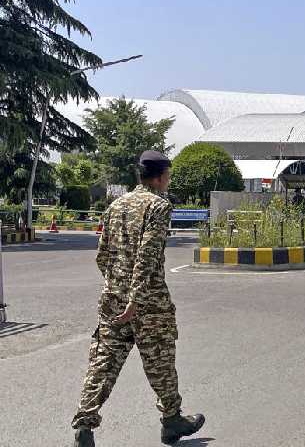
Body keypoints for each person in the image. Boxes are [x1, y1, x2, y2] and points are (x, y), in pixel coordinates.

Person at [71, 151, 204, 447]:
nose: (168, 182)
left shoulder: (116, 206)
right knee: (161, 361)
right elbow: (148, 255)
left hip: (113, 299)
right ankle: (171, 420)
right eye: (168, 177)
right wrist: (136, 298)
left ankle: (84, 424)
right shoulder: (158, 206)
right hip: (147, 303)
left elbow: (102, 256)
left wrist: (117, 289)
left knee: (103, 362)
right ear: (158, 178)